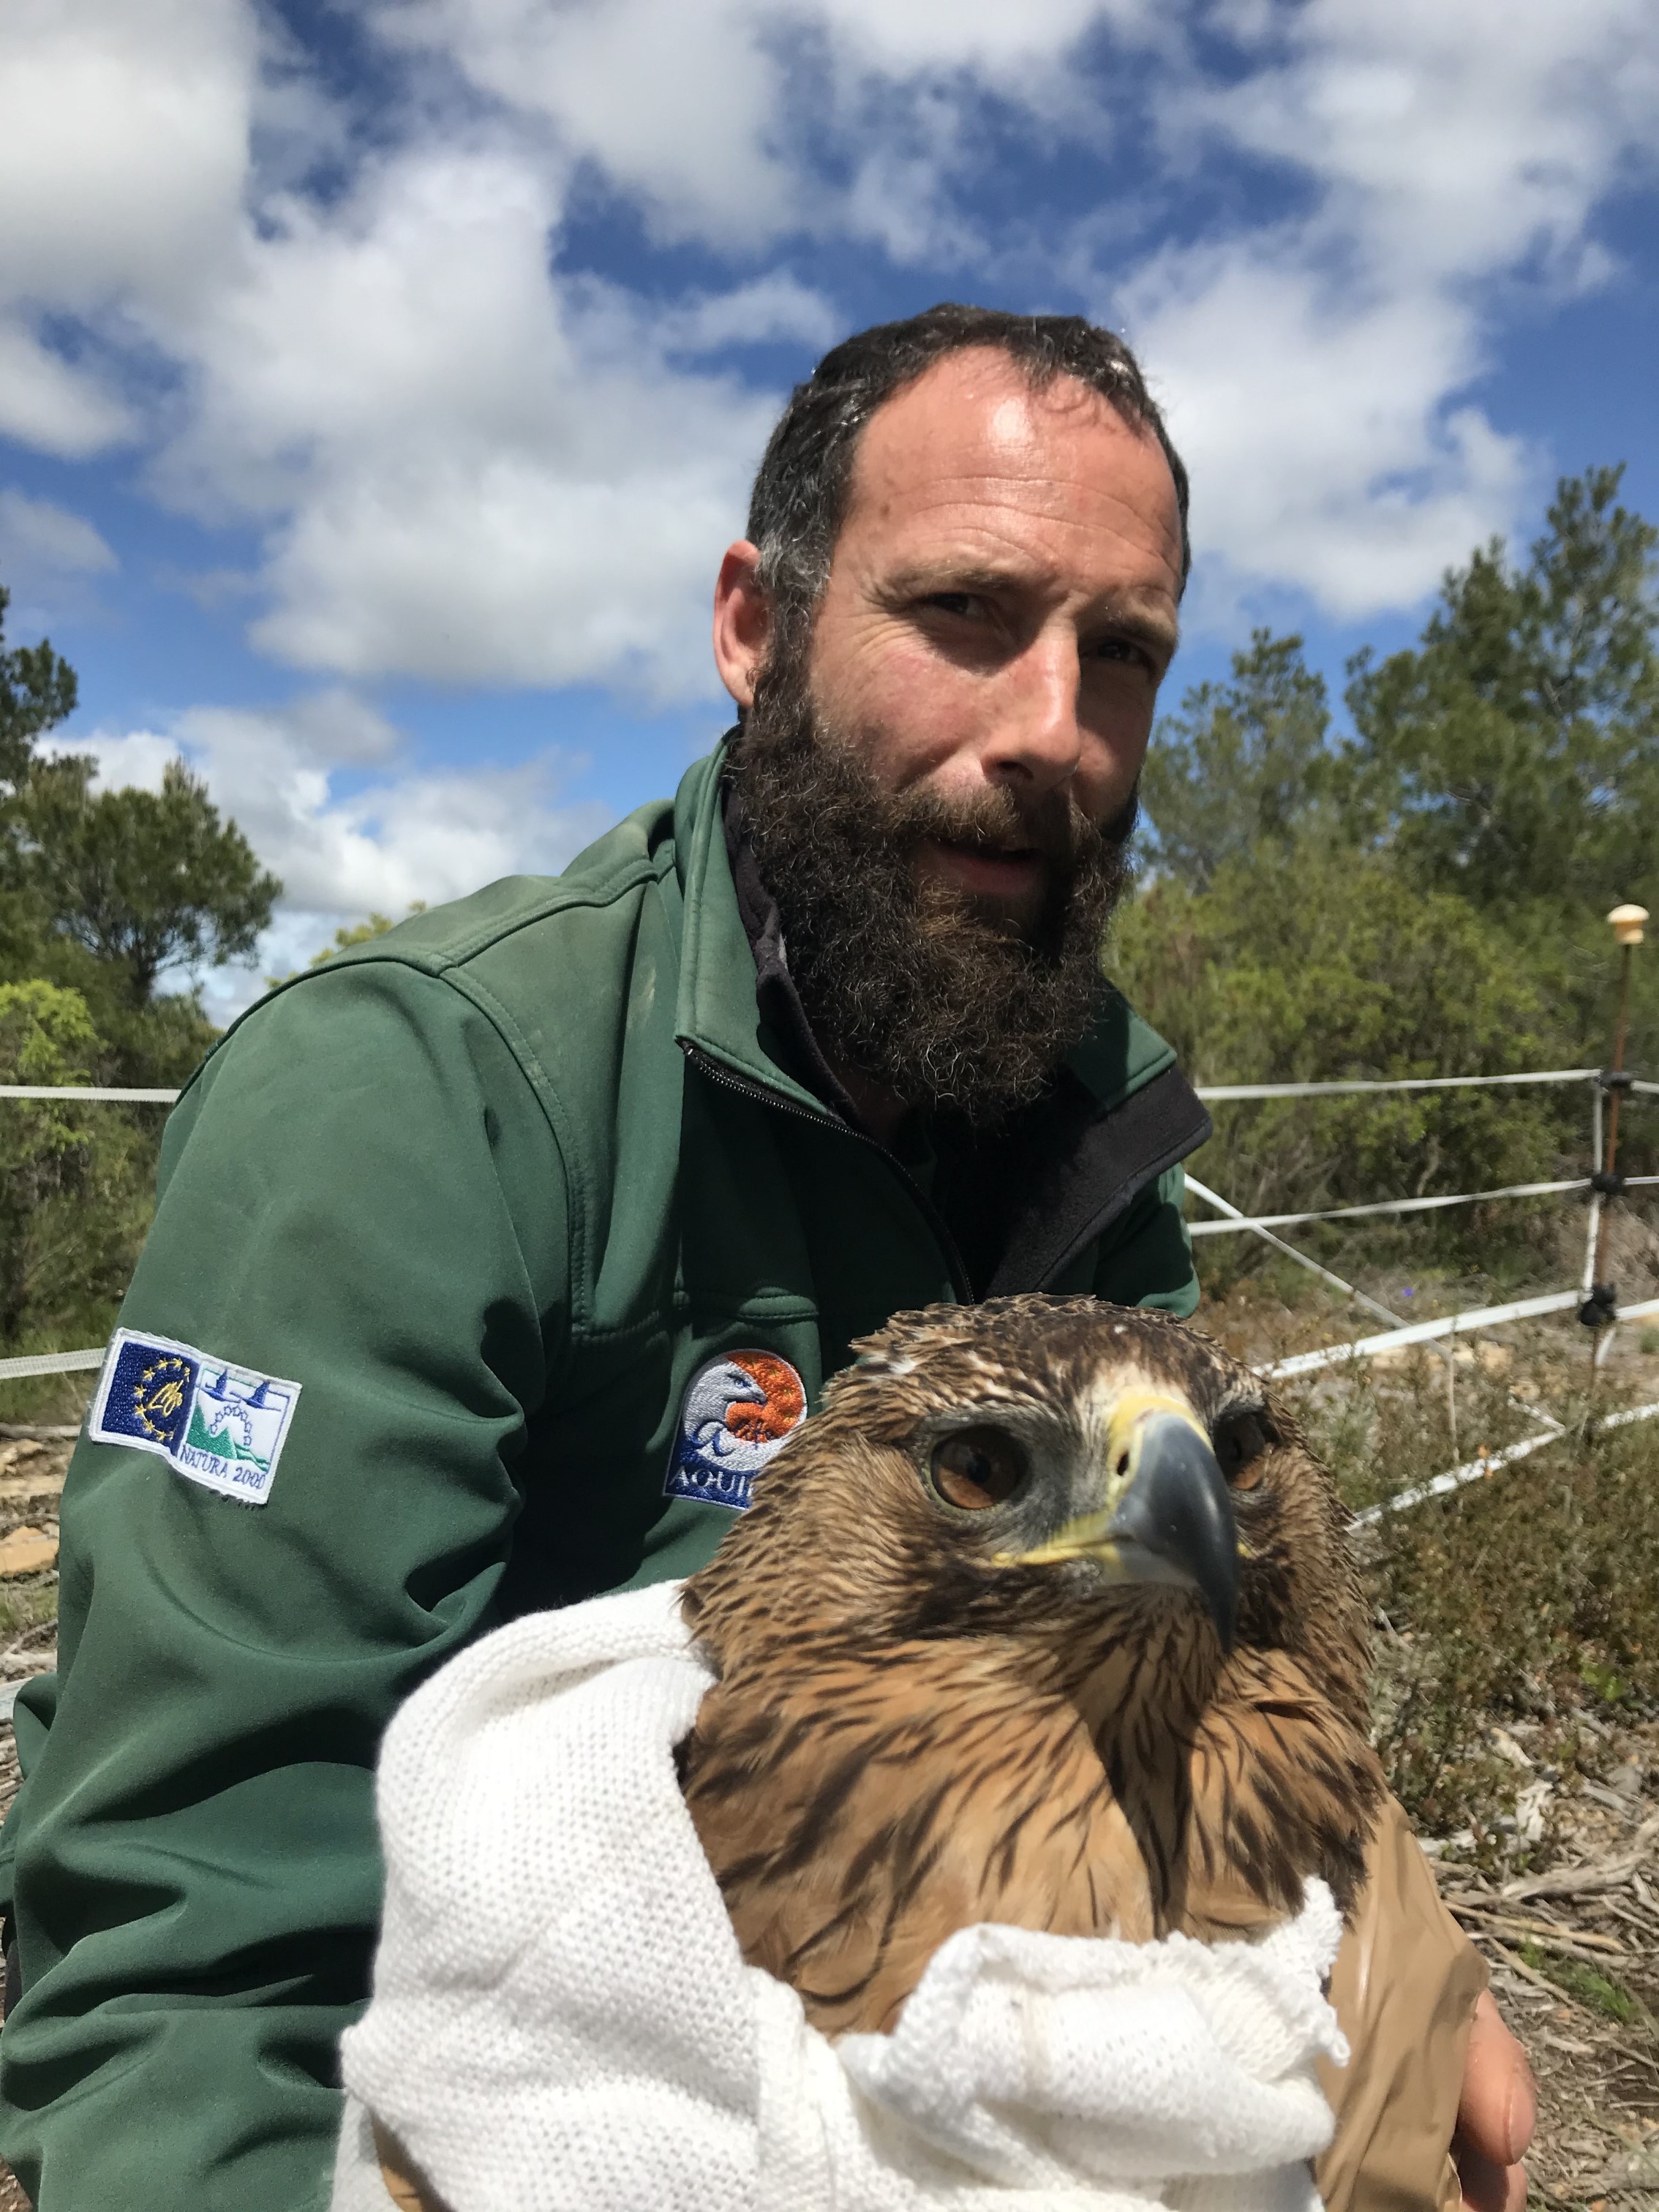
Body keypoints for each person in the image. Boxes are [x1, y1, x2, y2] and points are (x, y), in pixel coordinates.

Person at [0, 305, 1532, 2211]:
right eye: (965, 611)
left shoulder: (1089, 1100)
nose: (1051, 728)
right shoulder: (413, 1097)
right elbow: (196, 1933)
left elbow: (1192, 1656)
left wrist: (1372, 1910)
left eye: (1117, 653)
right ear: (753, 627)